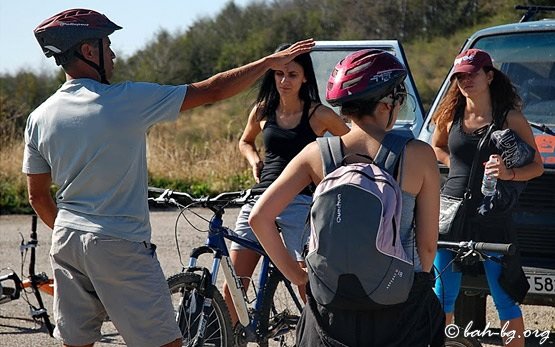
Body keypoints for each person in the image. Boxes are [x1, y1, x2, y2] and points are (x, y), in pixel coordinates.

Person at [23, 8, 314, 347]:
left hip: (66, 241)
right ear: (89, 52)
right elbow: (213, 90)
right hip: (119, 244)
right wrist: (267, 62)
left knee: (78, 342)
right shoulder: (126, 99)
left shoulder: (39, 117)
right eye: (107, 45)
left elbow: (38, 197)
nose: (113, 54)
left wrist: (73, 230)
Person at [249, 49, 445, 346]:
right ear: (385, 103)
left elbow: (259, 217)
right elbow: (428, 248)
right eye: (400, 99)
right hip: (400, 303)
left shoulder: (317, 154)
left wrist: (297, 276)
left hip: (331, 307)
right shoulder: (418, 154)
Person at [223, 43, 350, 325]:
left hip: (301, 203)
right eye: (278, 73)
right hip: (259, 198)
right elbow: (245, 141)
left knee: (307, 285)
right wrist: (253, 158)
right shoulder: (262, 110)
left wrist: (330, 177)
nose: (284, 80)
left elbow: (353, 147)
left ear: (305, 77)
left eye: (292, 74)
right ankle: (227, 337)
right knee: (233, 286)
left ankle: (323, 337)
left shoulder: (320, 115)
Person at [431, 48, 544, 347]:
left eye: (472, 74)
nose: (465, 80)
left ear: (489, 75)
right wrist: (457, 167)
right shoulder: (450, 114)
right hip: (451, 214)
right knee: (443, 293)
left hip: (492, 216)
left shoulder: (510, 118)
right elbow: (437, 148)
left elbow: (537, 166)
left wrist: (508, 174)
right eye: (459, 76)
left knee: (504, 295)